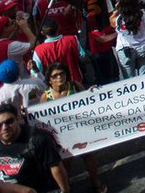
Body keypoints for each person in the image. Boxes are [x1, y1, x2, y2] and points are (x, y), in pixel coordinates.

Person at [38, 63, 107, 193]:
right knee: (65, 162)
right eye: (55, 75)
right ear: (49, 79)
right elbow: (41, 117)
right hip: (60, 136)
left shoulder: (75, 86)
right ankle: (66, 187)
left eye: (62, 74)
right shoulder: (46, 96)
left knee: (88, 156)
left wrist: (92, 92)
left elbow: (88, 100)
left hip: (80, 130)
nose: (59, 77)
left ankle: (95, 181)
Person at [0, 103, 70, 192]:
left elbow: (55, 167)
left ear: (17, 119)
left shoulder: (37, 140)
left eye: (9, 121)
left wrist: (64, 190)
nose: (5, 127)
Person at [111, 0, 145, 78]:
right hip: (144, 47)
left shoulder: (118, 19)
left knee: (129, 80)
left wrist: (116, 10)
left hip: (126, 50)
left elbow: (110, 20)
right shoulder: (144, 13)